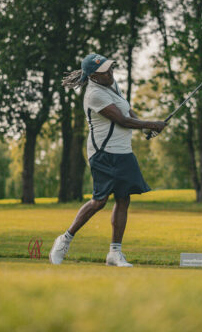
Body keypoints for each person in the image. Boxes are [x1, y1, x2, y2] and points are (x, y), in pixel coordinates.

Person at [49, 53, 166, 267]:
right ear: (93, 76)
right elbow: (121, 120)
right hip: (103, 153)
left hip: (123, 152)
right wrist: (151, 124)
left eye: (110, 68)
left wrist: (144, 127)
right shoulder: (94, 94)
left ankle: (114, 253)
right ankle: (64, 239)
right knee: (99, 201)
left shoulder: (111, 84)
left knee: (123, 199)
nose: (110, 73)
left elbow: (126, 110)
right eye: (105, 72)